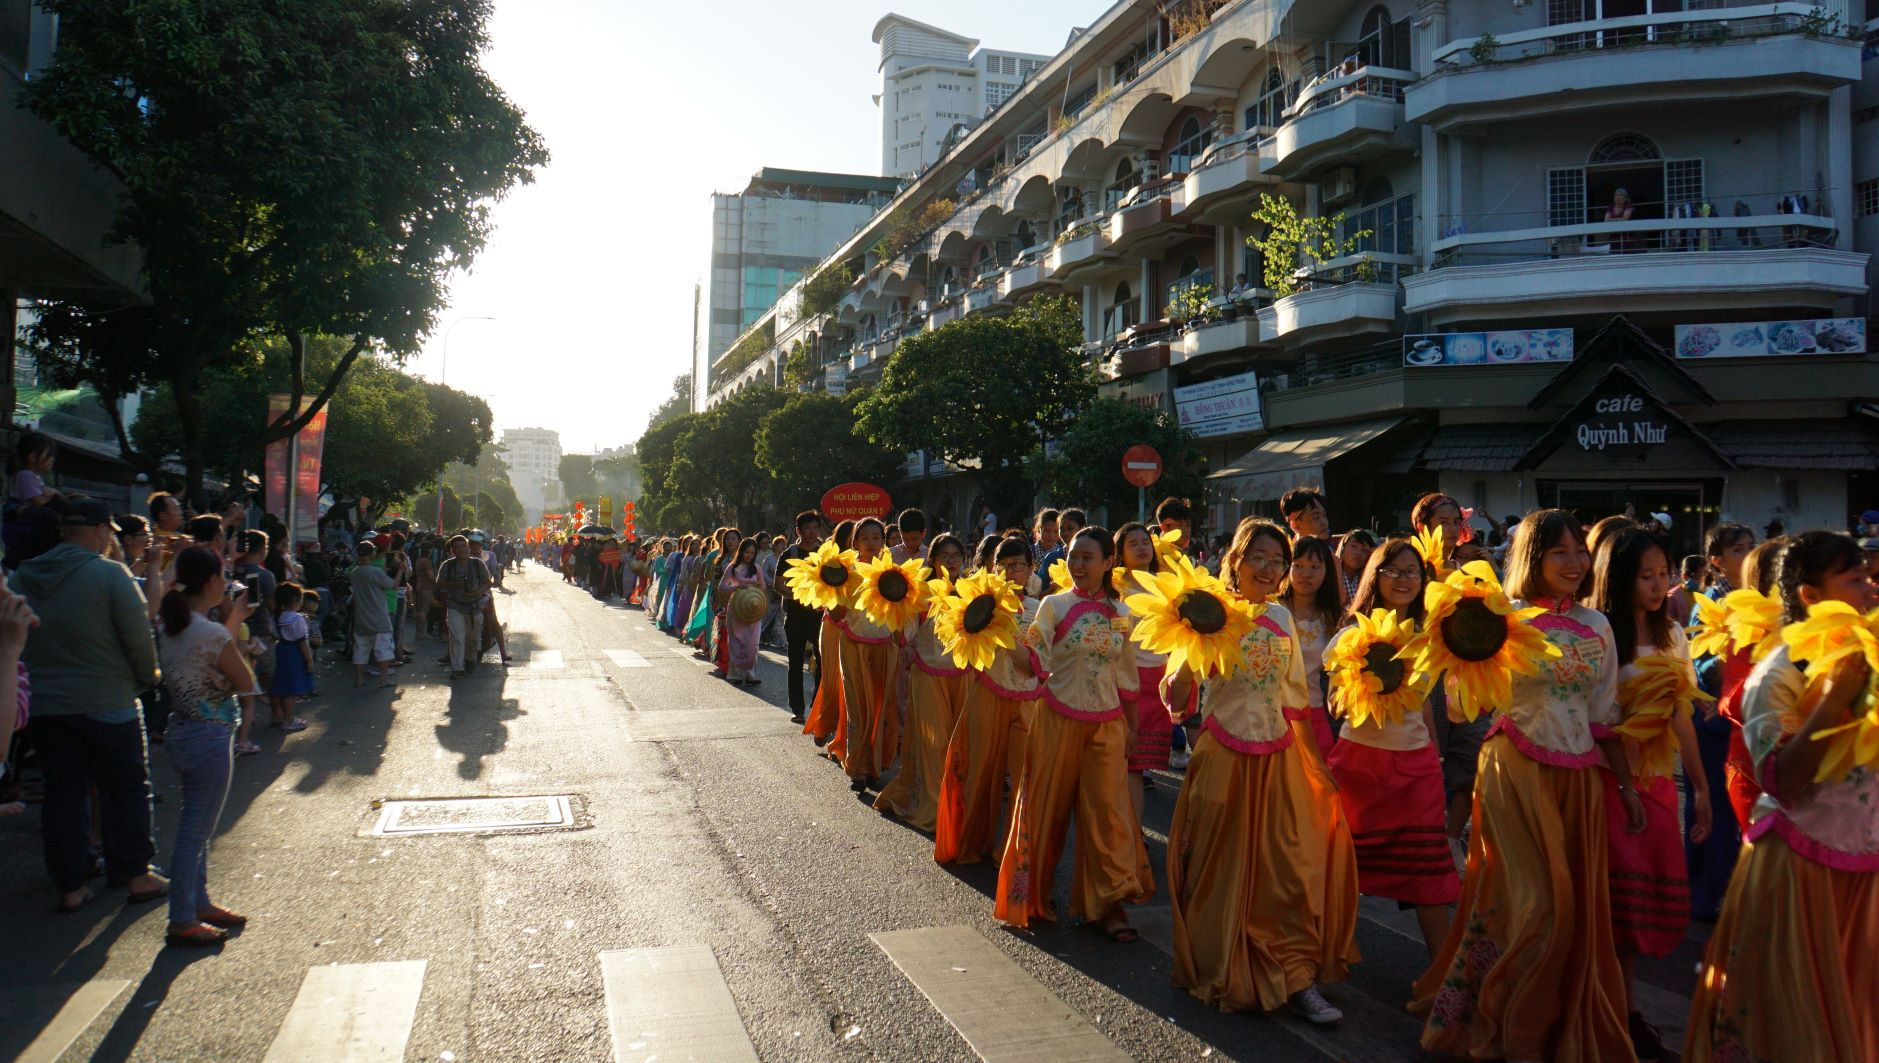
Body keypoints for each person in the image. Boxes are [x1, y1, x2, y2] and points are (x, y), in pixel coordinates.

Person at [1409, 509, 1638, 1062]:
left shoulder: (1599, 625)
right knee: (1539, 903)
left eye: (1580, 552)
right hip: (1514, 768)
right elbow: (1466, 707)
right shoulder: (1500, 616)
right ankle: (1503, 1018)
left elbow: (1603, 713)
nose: (1575, 563)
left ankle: (1546, 1023)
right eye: (1560, 552)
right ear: (1533, 557)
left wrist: (1627, 789)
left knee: (1567, 906)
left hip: (1579, 778)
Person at [1685, 530, 1879, 1062]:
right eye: (1855, 579)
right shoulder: (1778, 670)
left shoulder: (1868, 656)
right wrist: (1837, 697)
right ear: (1813, 596)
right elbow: (1781, 779)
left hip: (1864, 860)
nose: (1871, 590)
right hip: (1798, 864)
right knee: (1796, 1019)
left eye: (1869, 578)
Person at [1162, 517, 1358, 1022]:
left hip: (1278, 756)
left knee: (1286, 869)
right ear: (1235, 561)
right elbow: (1177, 700)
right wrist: (1187, 656)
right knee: (1220, 869)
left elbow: (1295, 700)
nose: (1271, 570)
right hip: (1223, 755)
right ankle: (1225, 963)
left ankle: (1295, 977)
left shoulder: (1281, 617)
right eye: (1259, 559)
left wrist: (1314, 767)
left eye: (1279, 561)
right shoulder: (1209, 614)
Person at [1589, 526, 1712, 1060]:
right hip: (1607, 784)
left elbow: (1679, 714)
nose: (1660, 585)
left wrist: (1702, 790)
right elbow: (1602, 722)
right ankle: (1616, 1017)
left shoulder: (1673, 636)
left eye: (1665, 574)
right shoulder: (1599, 637)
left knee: (1640, 914)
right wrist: (1623, 785)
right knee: (1611, 912)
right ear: (1619, 579)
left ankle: (1623, 1013)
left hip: (1657, 784)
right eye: (1647, 575)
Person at [997, 526, 1154, 941]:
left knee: (1107, 815)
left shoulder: (1121, 614)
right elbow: (1032, 659)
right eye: (1073, 556)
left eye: (1088, 557)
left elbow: (1125, 672)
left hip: (1107, 724)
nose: (1078, 565)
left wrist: (1132, 726)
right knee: (1046, 808)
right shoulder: (1053, 605)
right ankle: (1029, 896)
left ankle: (1108, 905)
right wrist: (991, 633)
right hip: (1056, 719)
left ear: (1107, 563)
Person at [16, 499, 166, 913]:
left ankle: (70, 885)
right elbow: (138, 638)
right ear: (101, 531)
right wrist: (147, 678)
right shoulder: (109, 574)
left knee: (63, 794)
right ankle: (135, 873)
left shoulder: (22, 576)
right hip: (109, 698)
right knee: (126, 789)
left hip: (46, 705)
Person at [1327, 538, 1460, 961]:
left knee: (1428, 870)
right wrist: (1360, 683)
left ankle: (1444, 977)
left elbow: (1424, 705)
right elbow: (1333, 704)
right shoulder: (1352, 633)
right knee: (1342, 867)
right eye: (1395, 571)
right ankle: (1328, 958)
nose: (1404, 580)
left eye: (1412, 572)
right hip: (1360, 763)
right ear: (1375, 576)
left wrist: (1434, 761)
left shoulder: (1428, 637)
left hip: (1415, 764)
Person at [154, 546, 256, 946]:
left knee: (195, 828)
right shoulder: (209, 632)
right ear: (212, 581)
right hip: (208, 734)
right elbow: (245, 682)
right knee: (195, 833)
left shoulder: (170, 624)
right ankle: (182, 917)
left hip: (182, 728)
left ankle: (198, 902)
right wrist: (234, 626)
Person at [935, 536, 1039, 865]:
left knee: (1024, 778)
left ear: (1031, 568)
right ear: (992, 568)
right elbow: (963, 657)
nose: (1010, 572)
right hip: (987, 692)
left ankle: (1010, 852)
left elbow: (1034, 665)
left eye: (1018, 565)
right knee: (978, 771)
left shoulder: (1040, 611)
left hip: (1027, 700)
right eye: (1002, 566)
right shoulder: (978, 605)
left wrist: (1003, 631)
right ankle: (969, 842)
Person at [1412, 493, 1492, 862]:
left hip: (1462, 680)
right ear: (1422, 525)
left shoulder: (1469, 570)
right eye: (1440, 521)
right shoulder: (1409, 565)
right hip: (1422, 680)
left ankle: (1450, 837)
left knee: (1471, 759)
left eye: (1453, 521)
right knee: (1426, 761)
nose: (1448, 529)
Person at [875, 533, 969, 829]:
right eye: (945, 556)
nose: (951, 562)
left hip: (965, 677)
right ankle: (935, 809)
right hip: (928, 673)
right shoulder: (920, 593)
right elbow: (905, 633)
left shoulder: (975, 590)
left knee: (961, 745)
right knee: (934, 743)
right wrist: (897, 625)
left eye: (957, 556)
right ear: (934, 560)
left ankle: (958, 806)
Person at [832, 518, 901, 791]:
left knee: (882, 709)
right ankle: (857, 769)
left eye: (877, 537)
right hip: (853, 643)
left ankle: (874, 765)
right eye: (866, 538)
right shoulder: (846, 571)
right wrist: (833, 589)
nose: (871, 543)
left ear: (884, 542)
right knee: (857, 708)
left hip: (885, 645)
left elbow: (901, 611)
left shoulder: (894, 573)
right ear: (856, 542)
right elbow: (836, 613)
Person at [1114, 522, 1171, 829]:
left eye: (1145, 541)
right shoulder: (1114, 585)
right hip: (1125, 678)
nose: (1141, 547)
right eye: (1132, 543)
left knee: (1138, 765)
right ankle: (1128, 833)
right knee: (1125, 763)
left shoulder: (1167, 583)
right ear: (1120, 552)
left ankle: (1132, 834)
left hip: (1158, 677)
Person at [802, 520, 854, 751]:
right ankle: (824, 725)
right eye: (854, 537)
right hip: (833, 626)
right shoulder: (830, 561)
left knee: (852, 684)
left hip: (860, 631)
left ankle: (847, 733)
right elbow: (819, 596)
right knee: (832, 678)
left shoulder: (870, 563)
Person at [775, 514, 825, 724]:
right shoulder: (790, 553)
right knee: (795, 664)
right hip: (795, 615)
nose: (812, 532)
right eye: (808, 528)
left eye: (815, 527)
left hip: (820, 616)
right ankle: (798, 709)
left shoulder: (826, 553)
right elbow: (778, 585)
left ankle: (818, 705)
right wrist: (800, 595)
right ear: (799, 531)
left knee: (823, 661)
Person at [437, 534, 493, 679]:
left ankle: (470, 659)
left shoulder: (477, 564)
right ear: (452, 551)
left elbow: (487, 582)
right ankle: (457, 668)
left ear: (468, 547)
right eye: (457, 547)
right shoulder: (447, 565)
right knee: (457, 637)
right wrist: (453, 584)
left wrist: (478, 591)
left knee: (473, 639)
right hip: (455, 605)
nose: (461, 549)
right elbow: (439, 583)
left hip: (474, 606)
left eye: (463, 546)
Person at [348, 540, 398, 689]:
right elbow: (393, 585)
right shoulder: (375, 572)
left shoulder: (355, 572)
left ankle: (359, 679)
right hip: (379, 618)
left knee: (360, 650)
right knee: (383, 651)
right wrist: (401, 570)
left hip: (361, 618)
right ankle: (383, 679)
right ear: (372, 554)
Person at [717, 539, 766, 686]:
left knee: (752, 642)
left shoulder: (757, 568)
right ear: (741, 551)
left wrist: (756, 586)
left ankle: (750, 674)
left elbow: (763, 587)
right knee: (736, 640)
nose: (749, 555)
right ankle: (735, 674)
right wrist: (736, 588)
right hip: (737, 606)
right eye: (747, 552)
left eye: (752, 553)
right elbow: (722, 587)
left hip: (753, 607)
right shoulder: (732, 567)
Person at [268, 583, 314, 733]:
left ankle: (278, 716)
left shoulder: (276, 617)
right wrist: (309, 659)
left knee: (281, 684)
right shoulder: (297, 618)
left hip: (281, 650)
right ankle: (288, 720)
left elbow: (273, 634)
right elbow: (302, 641)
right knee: (291, 688)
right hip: (294, 652)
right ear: (295, 599)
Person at [11, 431, 65, 508]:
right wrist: (54, 493)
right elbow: (39, 501)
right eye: (49, 455)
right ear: (33, 457)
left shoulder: (35, 476)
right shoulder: (26, 475)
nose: (53, 460)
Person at [1334, 528, 1376, 605]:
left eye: (1364, 550)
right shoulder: (1331, 574)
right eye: (1354, 546)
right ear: (1343, 548)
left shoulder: (1369, 579)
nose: (1358, 553)